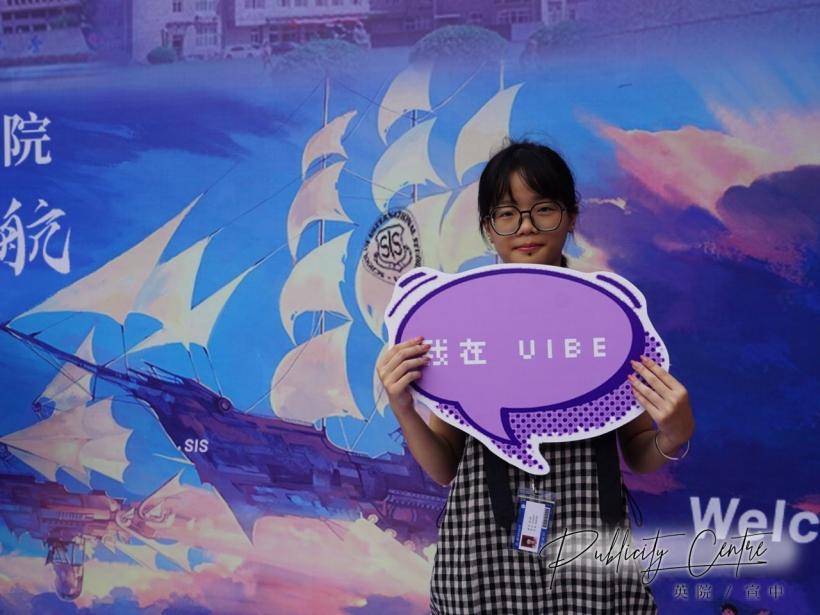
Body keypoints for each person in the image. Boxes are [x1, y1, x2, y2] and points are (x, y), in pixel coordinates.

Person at [376, 139, 696, 613]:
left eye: (543, 209)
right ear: (488, 228)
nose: (525, 227)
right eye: (507, 214)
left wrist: (674, 432)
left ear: (570, 216)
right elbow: (445, 468)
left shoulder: (608, 320)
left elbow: (638, 452)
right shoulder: (458, 322)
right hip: (481, 566)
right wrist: (404, 408)